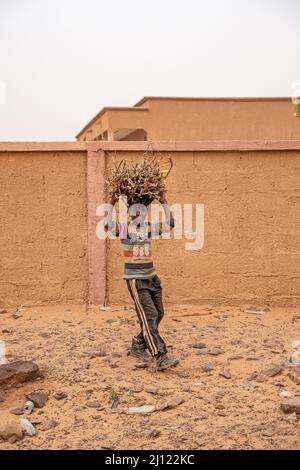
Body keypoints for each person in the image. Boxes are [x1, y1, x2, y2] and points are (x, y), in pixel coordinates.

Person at [105, 192, 179, 371]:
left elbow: (170, 224)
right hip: (136, 279)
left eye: (142, 211)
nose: (139, 214)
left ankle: (138, 343)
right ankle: (159, 356)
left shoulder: (148, 228)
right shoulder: (123, 229)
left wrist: (163, 201)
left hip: (152, 277)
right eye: (135, 211)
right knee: (149, 316)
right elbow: (107, 223)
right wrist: (112, 200)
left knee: (158, 313)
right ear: (130, 213)